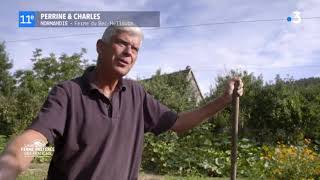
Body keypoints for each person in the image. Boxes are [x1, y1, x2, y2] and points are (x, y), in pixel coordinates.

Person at [0, 24, 243, 180]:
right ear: (100, 47)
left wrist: (223, 100)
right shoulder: (68, 93)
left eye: (135, 49)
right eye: (122, 43)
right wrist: (8, 167)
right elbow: (35, 139)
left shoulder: (137, 95)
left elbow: (178, 123)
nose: (129, 52)